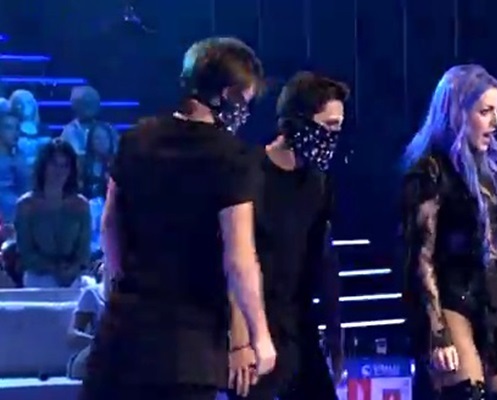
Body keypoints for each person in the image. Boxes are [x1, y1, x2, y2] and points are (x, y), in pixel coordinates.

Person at [80, 37, 276, 400]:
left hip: (122, 336)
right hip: (188, 348)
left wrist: (121, 283)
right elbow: (239, 259)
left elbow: (109, 224)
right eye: (245, 101)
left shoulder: (137, 138)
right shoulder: (232, 157)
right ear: (228, 94)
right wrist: (259, 335)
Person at [401, 65, 497, 399]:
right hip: (451, 298)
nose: (496, 122)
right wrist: (436, 332)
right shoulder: (430, 171)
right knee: (466, 393)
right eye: (485, 111)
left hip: (494, 299)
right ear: (457, 113)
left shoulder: (492, 170)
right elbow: (420, 256)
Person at [227, 71, 347, 400]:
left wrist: (335, 330)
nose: (333, 137)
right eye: (329, 126)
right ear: (298, 121)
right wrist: (240, 339)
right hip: (255, 321)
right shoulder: (248, 171)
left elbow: (325, 258)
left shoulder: (319, 182)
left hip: (300, 326)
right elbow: (233, 258)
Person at [15, 139, 92, 288]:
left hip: (73, 275)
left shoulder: (81, 205)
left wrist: (73, 269)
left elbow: (84, 252)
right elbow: (25, 253)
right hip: (38, 275)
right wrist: (53, 269)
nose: (59, 171)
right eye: (54, 164)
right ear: (43, 167)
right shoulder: (26, 205)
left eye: (65, 166)